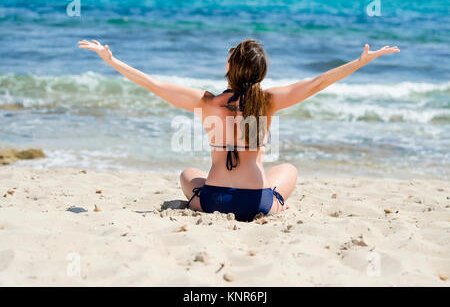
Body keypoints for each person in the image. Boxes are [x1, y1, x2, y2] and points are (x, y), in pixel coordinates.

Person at [78, 38, 399, 221]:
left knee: (187, 173)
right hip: (256, 204)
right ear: (260, 73)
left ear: (231, 67)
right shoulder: (269, 101)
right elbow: (317, 83)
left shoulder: (207, 102)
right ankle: (279, 205)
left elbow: (153, 84)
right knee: (287, 169)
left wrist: (113, 61)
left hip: (213, 200)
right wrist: (360, 62)